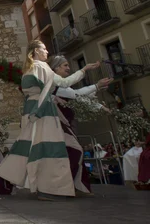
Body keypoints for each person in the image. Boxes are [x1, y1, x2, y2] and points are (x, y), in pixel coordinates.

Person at [0, 40, 100, 201]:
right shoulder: (40, 67)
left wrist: (83, 70)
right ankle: (48, 189)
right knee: (48, 148)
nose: (47, 52)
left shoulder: (31, 68)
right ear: (36, 51)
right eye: (44, 49)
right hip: (42, 111)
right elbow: (60, 85)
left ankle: (43, 186)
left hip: (33, 108)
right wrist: (84, 69)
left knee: (35, 146)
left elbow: (54, 87)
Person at [48, 55, 112, 195]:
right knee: (75, 151)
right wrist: (96, 85)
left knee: (74, 152)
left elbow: (78, 97)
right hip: (59, 124)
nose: (68, 68)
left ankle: (75, 186)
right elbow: (77, 95)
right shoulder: (56, 85)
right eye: (65, 65)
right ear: (56, 68)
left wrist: (99, 97)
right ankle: (65, 186)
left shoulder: (60, 86)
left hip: (65, 124)